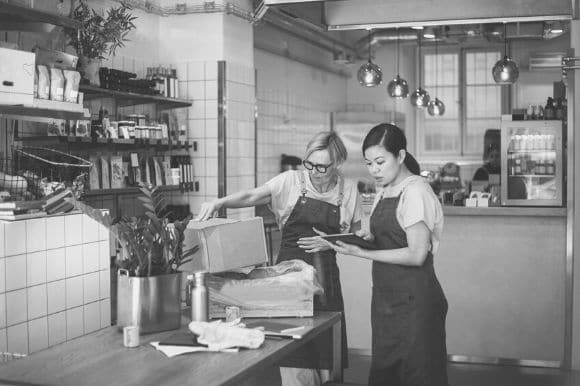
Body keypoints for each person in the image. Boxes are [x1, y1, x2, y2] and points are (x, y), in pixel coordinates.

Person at [195, 131, 362, 386]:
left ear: (337, 163)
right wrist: (219, 202)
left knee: (327, 353)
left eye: (322, 167)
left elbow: (357, 235)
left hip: (326, 280)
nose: (315, 172)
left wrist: (331, 242)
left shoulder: (348, 190)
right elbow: (252, 196)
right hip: (287, 281)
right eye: (310, 164)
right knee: (294, 355)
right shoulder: (291, 181)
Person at [324, 123, 448, 386]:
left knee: (417, 375)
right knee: (386, 374)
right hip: (386, 299)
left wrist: (363, 253)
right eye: (369, 163)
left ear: (400, 156)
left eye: (380, 162)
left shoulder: (416, 191)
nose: (374, 170)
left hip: (415, 301)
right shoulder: (385, 190)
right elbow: (390, 237)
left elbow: (416, 255)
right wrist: (368, 239)